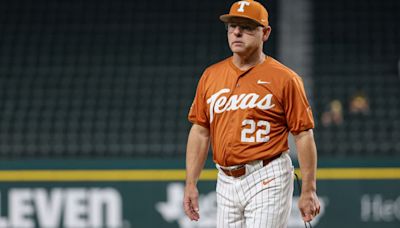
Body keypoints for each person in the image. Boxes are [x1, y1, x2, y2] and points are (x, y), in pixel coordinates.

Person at [183, 0, 320, 227]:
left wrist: (309, 189)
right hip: (225, 179)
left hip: (268, 173)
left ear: (265, 33)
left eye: (246, 27)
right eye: (232, 26)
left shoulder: (285, 79)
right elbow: (200, 130)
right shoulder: (211, 75)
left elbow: (304, 134)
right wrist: (190, 183)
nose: (237, 32)